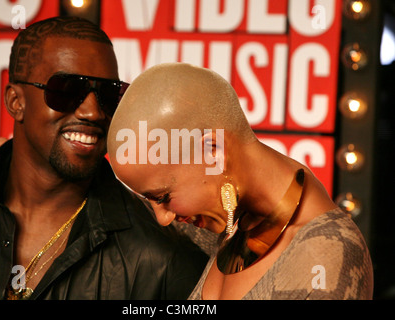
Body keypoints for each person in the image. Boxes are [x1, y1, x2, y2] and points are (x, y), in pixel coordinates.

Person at [0, 17, 208, 300]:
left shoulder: (161, 260)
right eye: (67, 91)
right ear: (15, 102)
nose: (93, 112)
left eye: (108, 94)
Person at [105, 63, 374, 299]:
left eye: (163, 197)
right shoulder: (229, 219)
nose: (163, 218)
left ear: (213, 151)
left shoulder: (325, 256)